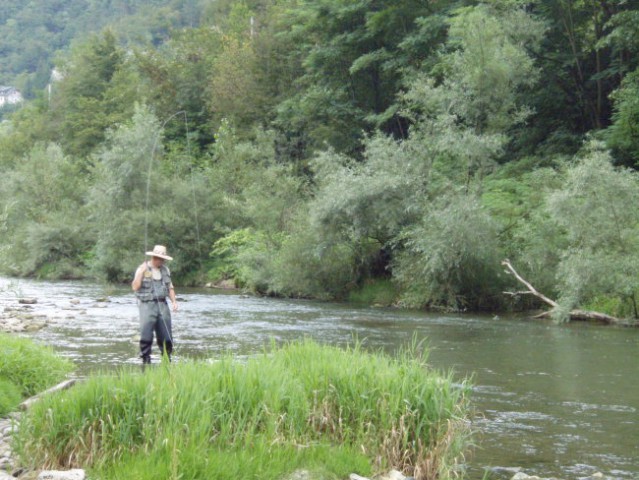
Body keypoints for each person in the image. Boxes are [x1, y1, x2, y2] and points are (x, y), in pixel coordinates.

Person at [131, 245, 178, 365]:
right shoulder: (142, 268)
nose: (161, 261)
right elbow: (135, 287)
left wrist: (174, 302)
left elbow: (170, 288)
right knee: (146, 336)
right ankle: (145, 362)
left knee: (167, 337)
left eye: (163, 259)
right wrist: (141, 273)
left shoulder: (165, 270)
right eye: (159, 258)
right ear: (153, 257)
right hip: (147, 305)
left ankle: (167, 361)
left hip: (163, 305)